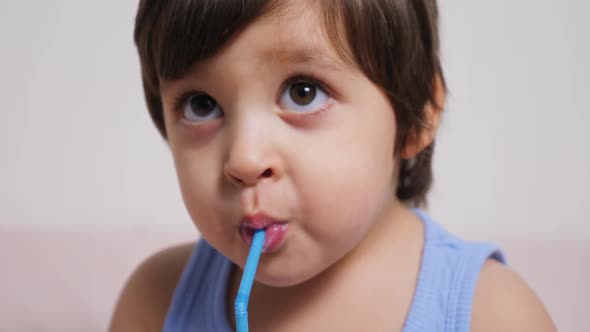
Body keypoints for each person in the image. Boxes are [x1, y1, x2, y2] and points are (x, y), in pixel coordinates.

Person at [110, 0, 556, 330]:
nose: (243, 159)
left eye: (303, 92)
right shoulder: (155, 302)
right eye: (201, 104)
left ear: (416, 115)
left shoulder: (493, 316)